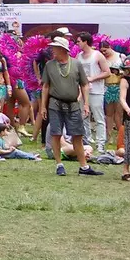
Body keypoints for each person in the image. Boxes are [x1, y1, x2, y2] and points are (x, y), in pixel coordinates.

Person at [39, 36, 97, 176]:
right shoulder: (50, 65)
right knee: (56, 133)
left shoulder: (76, 64)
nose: (52, 50)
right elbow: (45, 86)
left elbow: (84, 84)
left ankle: (83, 167)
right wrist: (43, 106)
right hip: (55, 103)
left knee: (77, 134)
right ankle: (59, 164)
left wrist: (86, 104)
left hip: (73, 104)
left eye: (55, 48)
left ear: (62, 49)